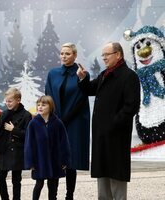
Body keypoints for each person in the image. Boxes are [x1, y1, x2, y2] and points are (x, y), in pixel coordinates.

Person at [77, 42, 140, 200]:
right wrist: (83, 79)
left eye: (107, 54)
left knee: (116, 173)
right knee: (103, 172)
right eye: (102, 55)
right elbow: (89, 90)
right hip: (101, 135)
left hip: (116, 135)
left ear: (118, 54)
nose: (104, 58)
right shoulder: (105, 74)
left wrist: (112, 124)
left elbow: (131, 107)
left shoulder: (129, 76)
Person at [45, 42, 90, 200]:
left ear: (75, 55)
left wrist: (64, 119)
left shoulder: (81, 74)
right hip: (56, 122)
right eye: (62, 53)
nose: (64, 56)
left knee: (71, 160)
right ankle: (53, 196)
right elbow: (48, 97)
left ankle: (69, 196)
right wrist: (53, 119)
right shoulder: (53, 74)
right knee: (54, 158)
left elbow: (81, 100)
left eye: (68, 54)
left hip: (74, 123)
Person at [24, 95, 71, 200]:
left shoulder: (58, 123)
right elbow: (29, 145)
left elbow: (64, 143)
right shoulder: (33, 124)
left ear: (50, 107)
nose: (40, 107)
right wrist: (30, 162)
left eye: (43, 105)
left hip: (55, 161)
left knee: (53, 188)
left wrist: (65, 161)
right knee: (39, 185)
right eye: (38, 105)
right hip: (39, 161)